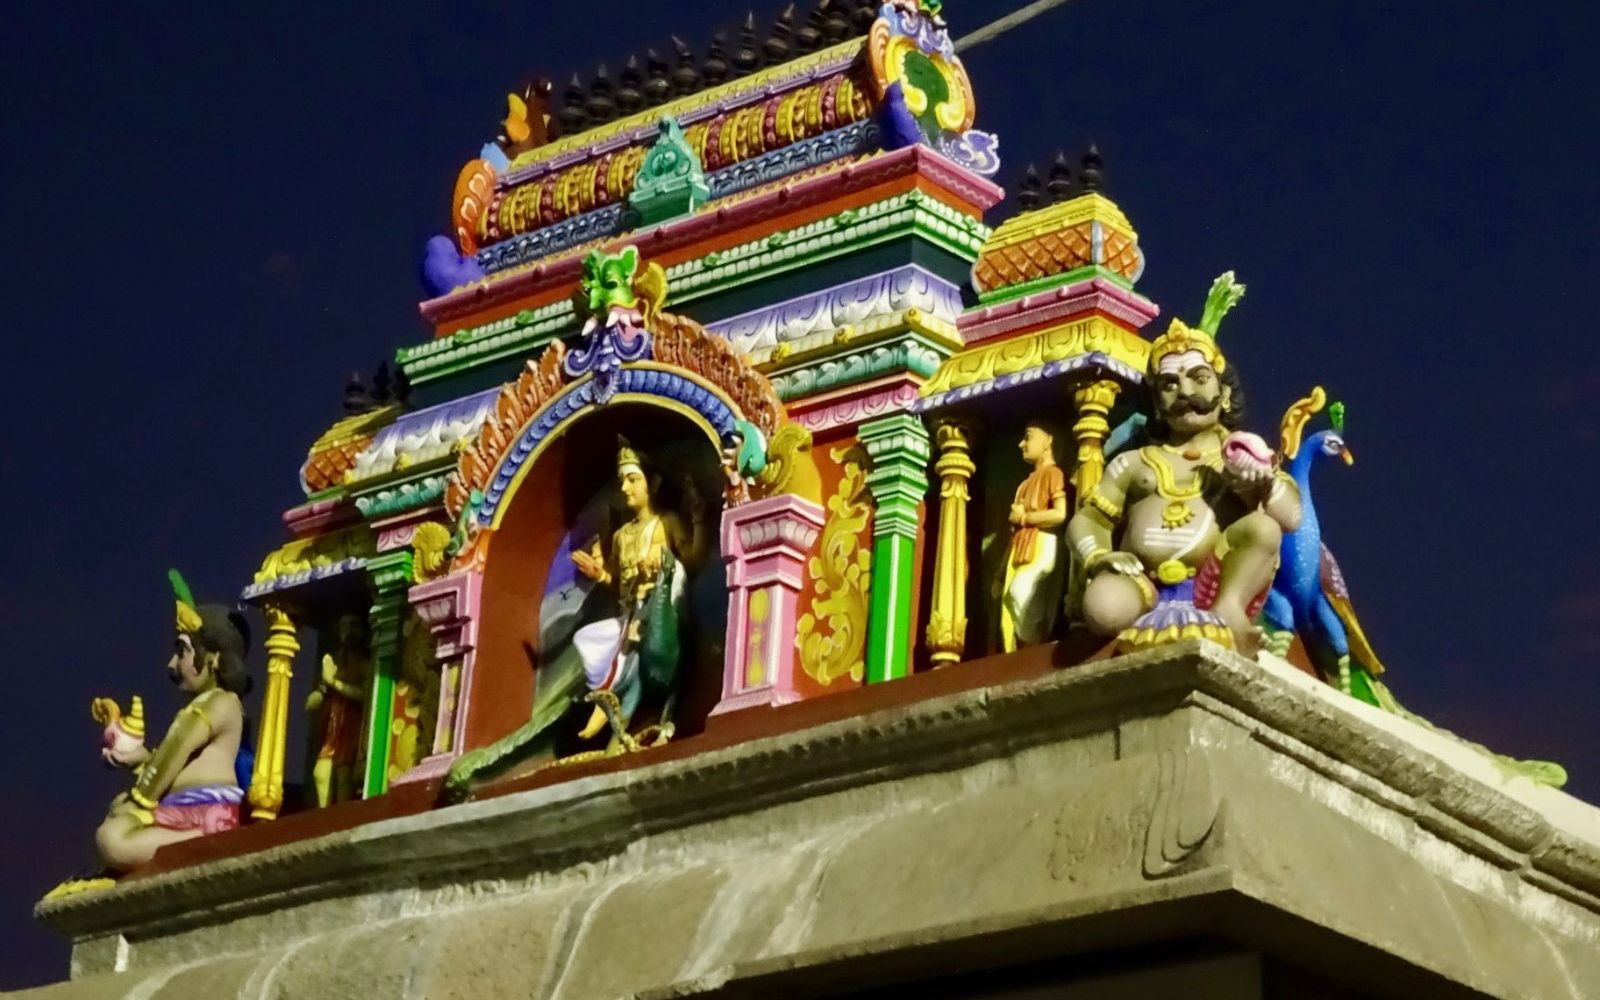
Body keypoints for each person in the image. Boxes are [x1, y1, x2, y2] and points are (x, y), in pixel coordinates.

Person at [1067, 273, 1300, 655]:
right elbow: (1089, 519)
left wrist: (1266, 483)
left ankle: (1229, 608)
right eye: (1169, 384)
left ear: (1225, 393)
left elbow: (1290, 518)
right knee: (1103, 608)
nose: (1185, 392)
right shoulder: (1133, 462)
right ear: (1157, 404)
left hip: (1213, 581)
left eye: (1199, 378)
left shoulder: (1242, 456)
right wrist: (1098, 557)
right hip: (1141, 583)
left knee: (1263, 527)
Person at [92, 576, 253, 872]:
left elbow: (178, 746)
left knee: (112, 839)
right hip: (182, 810)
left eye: (182, 652)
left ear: (214, 658)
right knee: (117, 809)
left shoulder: (221, 702)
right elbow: (178, 761)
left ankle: (209, 839)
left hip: (204, 816)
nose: (172, 664)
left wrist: (141, 799)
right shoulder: (207, 704)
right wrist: (142, 761)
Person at [570, 438, 706, 740]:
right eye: (622, 480)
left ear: (652, 484)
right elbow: (618, 585)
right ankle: (607, 701)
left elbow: (693, 560)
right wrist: (600, 574)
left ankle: (614, 706)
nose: (625, 488)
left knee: (637, 643)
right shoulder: (621, 536)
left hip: (662, 604)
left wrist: (697, 518)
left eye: (633, 479)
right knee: (587, 640)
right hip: (630, 614)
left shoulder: (667, 522)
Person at [1000, 420, 1068, 650]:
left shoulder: (1053, 474)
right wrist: (1000, 572)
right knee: (1008, 602)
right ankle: (1022, 650)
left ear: (1048, 441)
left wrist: (1024, 518)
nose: (1021, 444)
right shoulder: (1024, 484)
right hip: (1020, 545)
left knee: (1021, 592)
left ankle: (1035, 646)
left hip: (1042, 542)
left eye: (1028, 437)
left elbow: (1060, 514)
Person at [305, 614, 369, 807]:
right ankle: (323, 816)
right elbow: (310, 703)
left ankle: (341, 815)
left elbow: (364, 695)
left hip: (351, 728)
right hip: (332, 728)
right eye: (344, 626)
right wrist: (324, 686)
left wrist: (334, 682)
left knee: (343, 778)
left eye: (354, 625)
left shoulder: (365, 664)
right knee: (320, 773)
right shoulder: (335, 663)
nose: (349, 631)